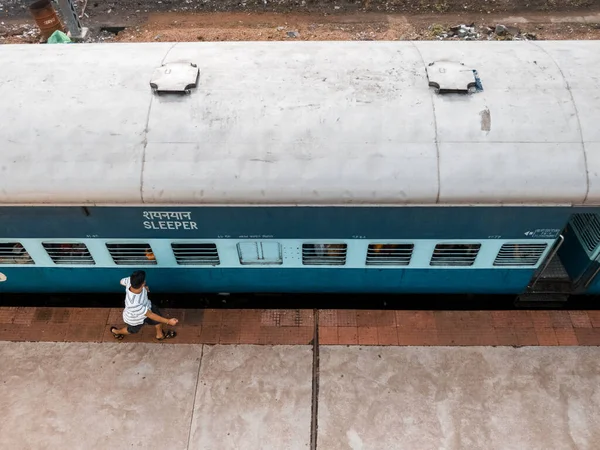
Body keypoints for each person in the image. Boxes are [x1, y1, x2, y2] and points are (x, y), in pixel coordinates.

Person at [110, 270, 178, 341]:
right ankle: (116, 332)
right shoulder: (134, 304)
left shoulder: (130, 281)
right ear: (142, 284)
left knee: (158, 319)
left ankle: (160, 335)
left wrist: (144, 288)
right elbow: (150, 315)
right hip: (135, 319)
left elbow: (121, 281)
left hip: (147, 306)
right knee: (132, 330)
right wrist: (168, 321)